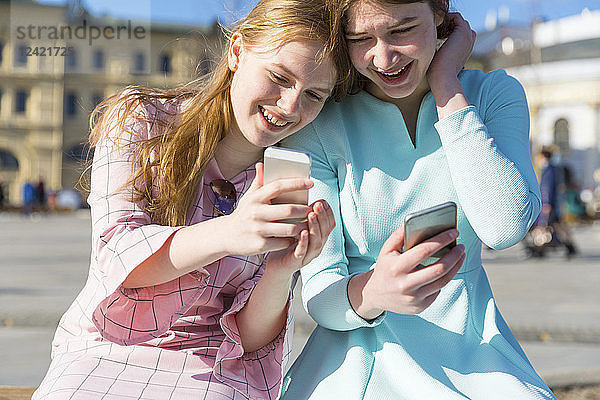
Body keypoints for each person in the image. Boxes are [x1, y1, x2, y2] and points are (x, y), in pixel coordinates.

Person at [32, 0, 350, 398]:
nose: (290, 107)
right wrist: (230, 232)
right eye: (279, 77)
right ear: (236, 52)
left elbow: (248, 341)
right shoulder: (144, 121)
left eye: (314, 95)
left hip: (216, 365)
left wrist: (282, 270)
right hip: (108, 346)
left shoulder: (294, 179)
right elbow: (118, 256)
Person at [280, 0, 555, 398]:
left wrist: (446, 83)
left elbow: (504, 226)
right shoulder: (321, 122)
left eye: (402, 30)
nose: (383, 57)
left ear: (440, 18)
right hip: (356, 358)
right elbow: (320, 290)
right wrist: (375, 291)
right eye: (360, 38)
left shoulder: (493, 94)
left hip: (474, 354)